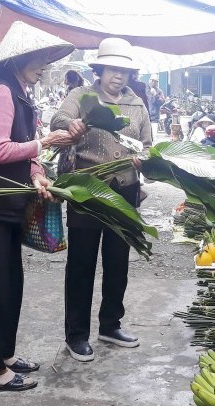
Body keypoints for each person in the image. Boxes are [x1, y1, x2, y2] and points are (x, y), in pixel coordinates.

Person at [0, 21, 76, 391]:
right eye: (40, 58)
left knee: (10, 280)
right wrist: (45, 142)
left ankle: (3, 353)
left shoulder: (20, 91)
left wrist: (38, 173)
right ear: (20, 57)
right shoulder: (1, 91)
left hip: (7, 201)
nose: (45, 65)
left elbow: (21, 150)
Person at [50, 37, 152, 362]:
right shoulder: (81, 96)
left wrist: (143, 159)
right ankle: (76, 335)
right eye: (112, 69)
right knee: (81, 265)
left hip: (125, 190)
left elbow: (148, 144)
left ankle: (111, 324)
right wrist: (74, 124)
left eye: (123, 71)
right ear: (99, 69)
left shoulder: (137, 104)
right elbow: (57, 121)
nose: (118, 77)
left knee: (117, 262)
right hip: (87, 189)